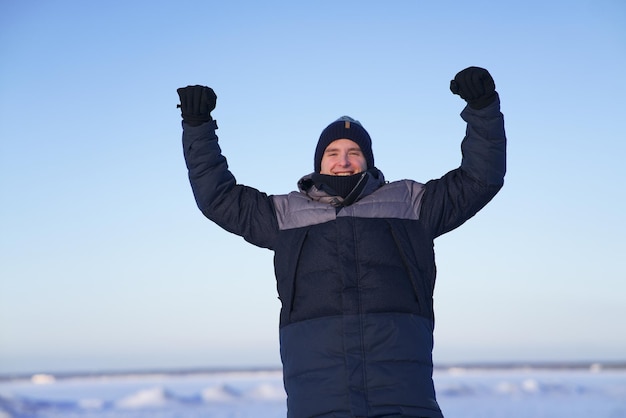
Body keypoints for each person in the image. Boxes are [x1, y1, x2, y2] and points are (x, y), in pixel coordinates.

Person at [177, 66, 506, 418]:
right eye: (332, 153)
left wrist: (483, 108)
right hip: (319, 395)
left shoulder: (412, 204)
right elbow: (218, 197)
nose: (343, 161)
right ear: (320, 162)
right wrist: (198, 126)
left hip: (401, 393)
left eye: (354, 152)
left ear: (368, 160)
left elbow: (480, 178)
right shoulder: (285, 215)